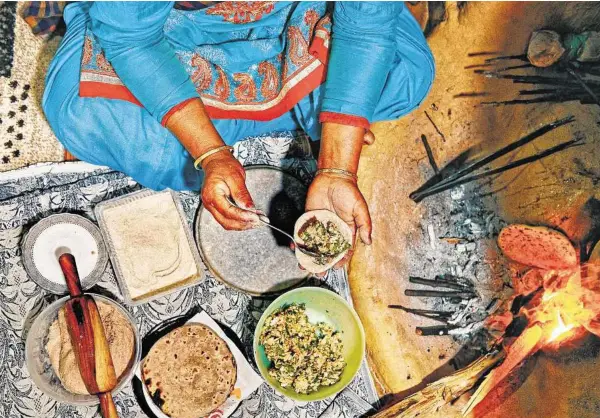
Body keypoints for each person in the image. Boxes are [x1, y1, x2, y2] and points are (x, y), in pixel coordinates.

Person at [41, 1, 435, 267]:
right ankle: (306, 116)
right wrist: (210, 152)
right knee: (79, 112)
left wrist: (337, 168)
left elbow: (365, 28)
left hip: (296, 14)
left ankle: (313, 119)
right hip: (176, 32)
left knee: (405, 77)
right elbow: (130, 39)